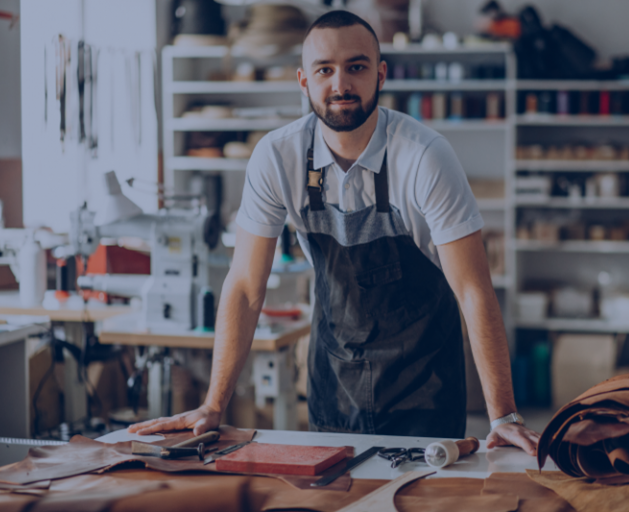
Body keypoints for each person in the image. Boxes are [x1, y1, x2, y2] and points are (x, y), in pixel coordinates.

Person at [129, 10, 540, 455]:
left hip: (424, 384)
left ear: (380, 75)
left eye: (356, 67)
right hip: (334, 381)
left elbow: (474, 290)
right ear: (304, 81)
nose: (340, 84)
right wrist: (214, 403)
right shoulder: (276, 158)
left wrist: (504, 415)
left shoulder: (424, 157)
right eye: (324, 69)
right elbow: (246, 286)